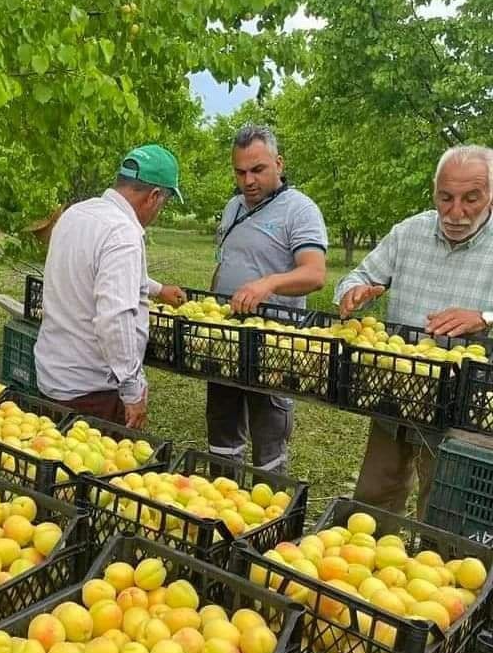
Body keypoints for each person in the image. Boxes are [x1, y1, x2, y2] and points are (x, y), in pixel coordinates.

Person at [334, 144, 493, 516]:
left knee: (446, 510)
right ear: (434, 192)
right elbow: (358, 276)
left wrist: (484, 317)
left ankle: (440, 566)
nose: (456, 212)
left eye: (471, 198)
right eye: (445, 198)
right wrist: (353, 292)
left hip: (466, 405)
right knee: (374, 497)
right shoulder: (410, 232)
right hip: (396, 390)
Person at [35, 144, 186, 428]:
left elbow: (94, 271)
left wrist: (157, 289)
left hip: (53, 376)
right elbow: (115, 319)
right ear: (154, 196)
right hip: (91, 392)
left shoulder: (76, 214)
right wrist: (132, 390)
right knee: (95, 470)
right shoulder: (123, 234)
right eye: (163, 203)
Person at [207, 124, 328, 471]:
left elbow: (315, 274)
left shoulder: (299, 210)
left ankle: (271, 511)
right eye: (240, 171)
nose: (248, 181)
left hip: (272, 346)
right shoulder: (233, 207)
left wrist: (268, 284)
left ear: (279, 163)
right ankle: (220, 496)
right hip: (225, 338)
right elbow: (227, 261)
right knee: (221, 432)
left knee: (268, 439)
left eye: (257, 170)